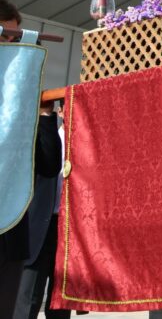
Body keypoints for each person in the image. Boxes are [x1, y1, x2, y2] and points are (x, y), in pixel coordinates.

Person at [0, 0, 63, 318]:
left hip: (10, 235)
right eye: (5, 39)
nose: (13, 49)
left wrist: (43, 115)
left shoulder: (20, 102)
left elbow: (49, 165)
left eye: (16, 39)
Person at [13, 100, 69, 319]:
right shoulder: (46, 136)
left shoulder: (86, 146)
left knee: (61, 301)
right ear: (62, 111)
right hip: (39, 226)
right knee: (28, 297)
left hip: (67, 230)